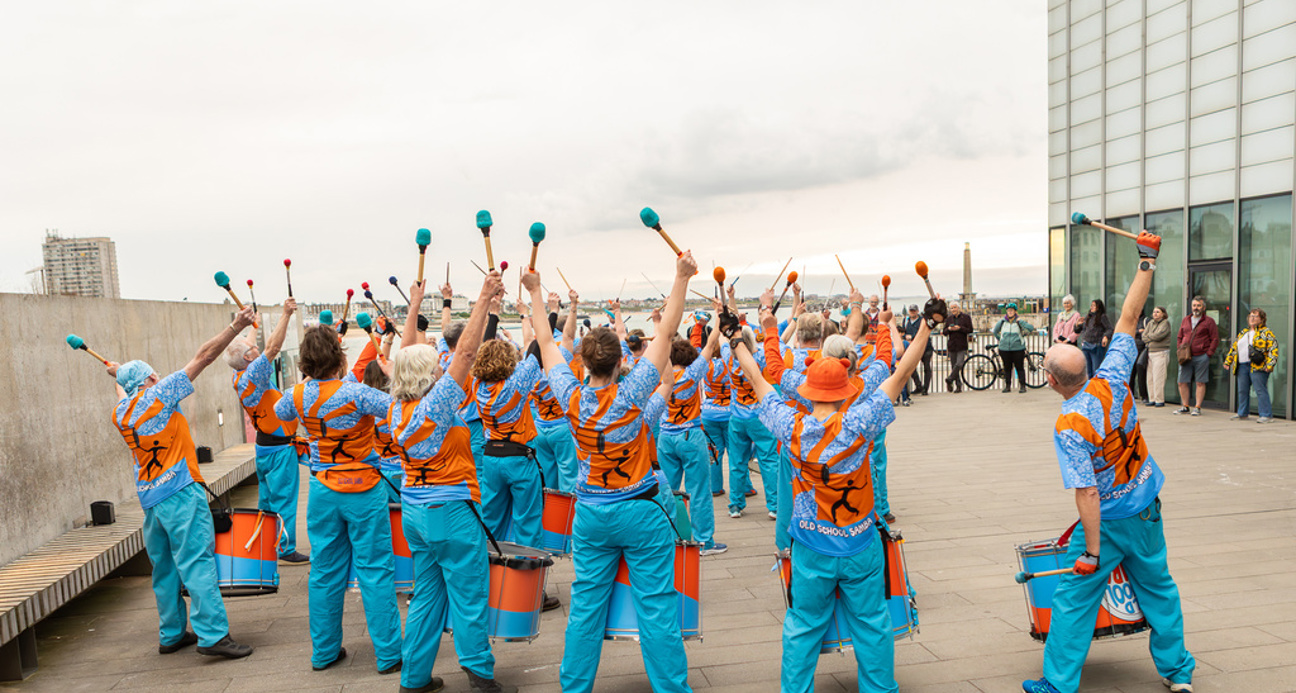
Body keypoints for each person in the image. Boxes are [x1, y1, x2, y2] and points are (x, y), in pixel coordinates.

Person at [729, 290, 935, 693]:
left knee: (802, 627)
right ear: (844, 389)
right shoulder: (860, 422)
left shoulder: (791, 425)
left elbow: (758, 378)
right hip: (859, 542)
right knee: (873, 624)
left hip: (810, 546)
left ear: (808, 390)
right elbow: (901, 371)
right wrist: (927, 325)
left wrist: (736, 340)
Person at [1025, 230, 1195, 693]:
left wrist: (1092, 552)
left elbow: (1087, 491)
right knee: (1159, 588)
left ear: (1055, 382)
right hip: (1147, 505)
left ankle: (1057, 683)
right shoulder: (1114, 376)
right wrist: (1147, 260)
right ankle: (1178, 673)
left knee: (1073, 601)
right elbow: (1129, 315)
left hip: (1112, 517)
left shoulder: (1069, 427)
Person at [524, 252, 697, 693]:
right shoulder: (633, 393)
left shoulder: (571, 395)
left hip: (592, 514)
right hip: (639, 511)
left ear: (583, 364)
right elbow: (667, 332)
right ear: (621, 363)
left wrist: (535, 291)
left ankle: (574, 687)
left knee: (585, 608)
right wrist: (680, 277)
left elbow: (545, 343)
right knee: (656, 606)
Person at [108, 305, 258, 659]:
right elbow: (204, 356)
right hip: (179, 494)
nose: (159, 379)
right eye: (153, 376)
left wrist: (119, 374)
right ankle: (213, 636)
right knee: (196, 561)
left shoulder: (121, 412)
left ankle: (172, 633)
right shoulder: (160, 397)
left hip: (150, 501)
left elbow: (122, 391)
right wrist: (235, 326)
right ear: (147, 383)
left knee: (165, 570)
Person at [391, 273, 513, 693]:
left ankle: (414, 677)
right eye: (435, 364)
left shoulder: (396, 409)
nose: (443, 364)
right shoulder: (436, 407)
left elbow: (407, 353)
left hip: (415, 511)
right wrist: (482, 298)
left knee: (427, 595)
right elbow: (465, 352)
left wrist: (416, 305)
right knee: (469, 595)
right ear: (428, 377)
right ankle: (480, 674)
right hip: (449, 512)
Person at [274, 325, 401, 674]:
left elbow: (280, 415)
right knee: (375, 571)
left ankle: (324, 652)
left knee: (324, 572)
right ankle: (389, 654)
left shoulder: (295, 395)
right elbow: (396, 410)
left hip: (323, 488)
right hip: (363, 485)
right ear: (339, 356)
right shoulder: (357, 393)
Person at [224, 297, 309, 563]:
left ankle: (263, 543)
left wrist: (250, 323)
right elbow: (272, 347)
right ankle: (284, 548)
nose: (256, 348)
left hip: (265, 446)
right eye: (252, 349)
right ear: (250, 358)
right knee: (283, 499)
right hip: (279, 448)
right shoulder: (253, 376)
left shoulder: (241, 374)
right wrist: (285, 315)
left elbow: (247, 346)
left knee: (267, 501)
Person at [656, 324, 728, 556]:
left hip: (666, 436)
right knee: (699, 490)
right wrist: (718, 322)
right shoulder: (691, 374)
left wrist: (660, 325)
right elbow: (709, 345)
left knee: (669, 489)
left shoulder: (660, 377)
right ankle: (704, 540)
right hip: (689, 433)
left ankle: (669, 537)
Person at [1223, 308, 1279, 423]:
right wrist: (1228, 361)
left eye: (1255, 316)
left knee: (1260, 389)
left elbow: (1273, 349)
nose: (1252, 318)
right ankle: (1242, 413)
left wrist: (1270, 364)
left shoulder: (1266, 332)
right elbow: (1234, 348)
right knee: (1242, 390)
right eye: (1250, 316)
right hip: (1242, 365)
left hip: (1258, 366)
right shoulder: (1244, 332)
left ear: (1262, 319)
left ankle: (1266, 415)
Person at [1173, 296, 1218, 417]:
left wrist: (1209, 353)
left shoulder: (1209, 321)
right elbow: (1179, 336)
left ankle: (1197, 407)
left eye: (1198, 306)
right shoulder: (1186, 320)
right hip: (1185, 356)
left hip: (1201, 355)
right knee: (1182, 382)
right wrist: (1180, 348)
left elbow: (1214, 338)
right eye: (1194, 305)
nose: (1196, 308)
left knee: (1200, 382)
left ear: (1203, 307)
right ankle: (1185, 406)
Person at [993, 303, 1037, 394]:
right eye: (1008, 310)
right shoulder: (1002, 322)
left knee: (1019, 367)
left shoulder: (1019, 321)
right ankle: (1007, 386)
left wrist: (1020, 322)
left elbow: (1031, 328)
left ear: (1015, 311)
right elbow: (995, 331)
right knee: (1007, 368)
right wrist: (1001, 340)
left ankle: (1022, 386)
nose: (1010, 312)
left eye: (1012, 310)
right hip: (1004, 349)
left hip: (1018, 348)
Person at [1143, 307, 1172, 407]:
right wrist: (1150, 336)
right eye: (1154, 312)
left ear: (1163, 314)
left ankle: (1159, 400)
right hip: (1150, 353)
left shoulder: (1165, 323)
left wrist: (1149, 336)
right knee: (1150, 378)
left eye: (1158, 312)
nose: (1155, 314)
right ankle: (1152, 399)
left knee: (1158, 377)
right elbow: (1143, 336)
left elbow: (1159, 336)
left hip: (1161, 353)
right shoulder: (1150, 323)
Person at [903, 304, 933, 397]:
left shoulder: (922, 321)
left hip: (925, 347)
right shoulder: (905, 320)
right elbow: (902, 332)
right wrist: (905, 337)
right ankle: (918, 385)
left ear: (917, 311)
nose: (912, 312)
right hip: (913, 348)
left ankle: (925, 389)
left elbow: (925, 332)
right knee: (911, 368)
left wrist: (913, 337)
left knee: (926, 367)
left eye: (914, 311)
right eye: (911, 311)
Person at [943, 301, 973, 393]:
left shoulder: (966, 317)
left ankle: (949, 379)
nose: (953, 310)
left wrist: (960, 328)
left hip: (962, 345)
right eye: (951, 308)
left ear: (959, 308)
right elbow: (944, 332)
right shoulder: (949, 319)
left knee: (959, 364)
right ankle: (958, 386)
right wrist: (949, 329)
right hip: (952, 345)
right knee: (953, 366)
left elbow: (970, 330)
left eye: (955, 307)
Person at [1078, 299, 1113, 378]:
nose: (1092, 307)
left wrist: (1105, 337)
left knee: (1096, 369)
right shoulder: (1088, 316)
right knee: (1087, 370)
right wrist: (1082, 338)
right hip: (1086, 345)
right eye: (1091, 305)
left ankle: (1096, 388)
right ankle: (1089, 387)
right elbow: (1083, 329)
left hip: (1096, 346)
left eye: (1094, 305)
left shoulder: (1102, 317)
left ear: (1098, 307)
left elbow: (1109, 329)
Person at [1131, 311, 1150, 404]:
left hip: (1142, 348)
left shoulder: (1145, 320)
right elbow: (1128, 332)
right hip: (1132, 348)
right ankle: (1130, 394)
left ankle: (1144, 395)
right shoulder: (1131, 320)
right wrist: (1138, 331)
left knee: (1141, 372)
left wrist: (1138, 333)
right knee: (1131, 373)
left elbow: (1147, 333)